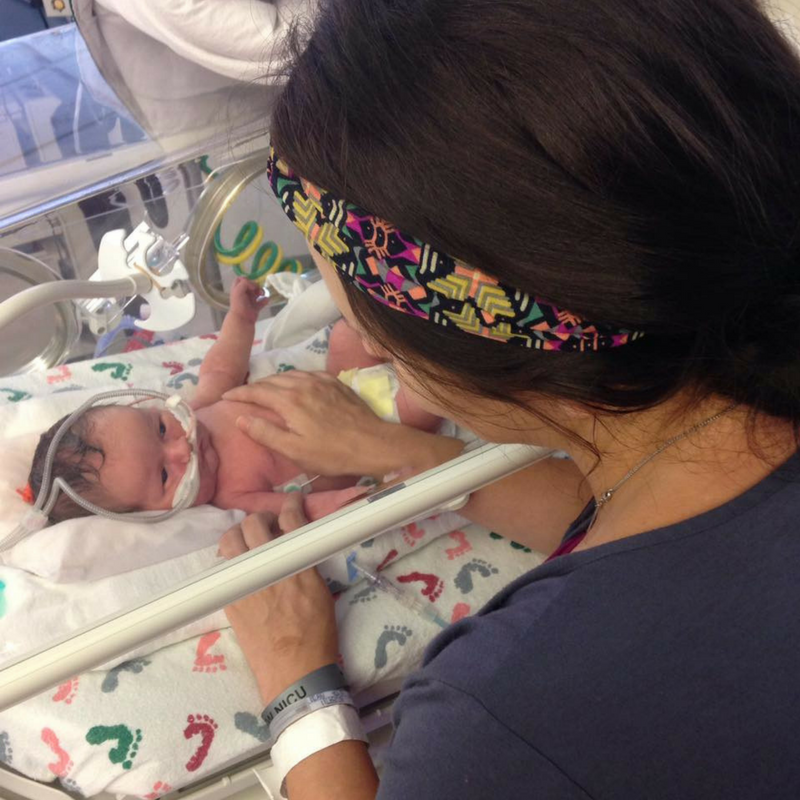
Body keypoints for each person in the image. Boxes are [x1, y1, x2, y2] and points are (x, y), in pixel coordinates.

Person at [217, 0, 800, 797]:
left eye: (338, 289)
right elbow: (673, 537)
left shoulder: (510, 717)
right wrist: (407, 455)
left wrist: (299, 696)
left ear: (416, 336)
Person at [27, 277, 451, 524]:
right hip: (382, 428)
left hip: (341, 382)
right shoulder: (232, 494)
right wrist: (340, 503)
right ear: (150, 515)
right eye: (162, 477)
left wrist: (241, 319)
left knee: (348, 333)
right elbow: (295, 507)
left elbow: (221, 366)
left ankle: (427, 306)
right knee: (424, 394)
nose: (182, 447)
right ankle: (452, 356)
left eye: (160, 428)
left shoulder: (202, 407)